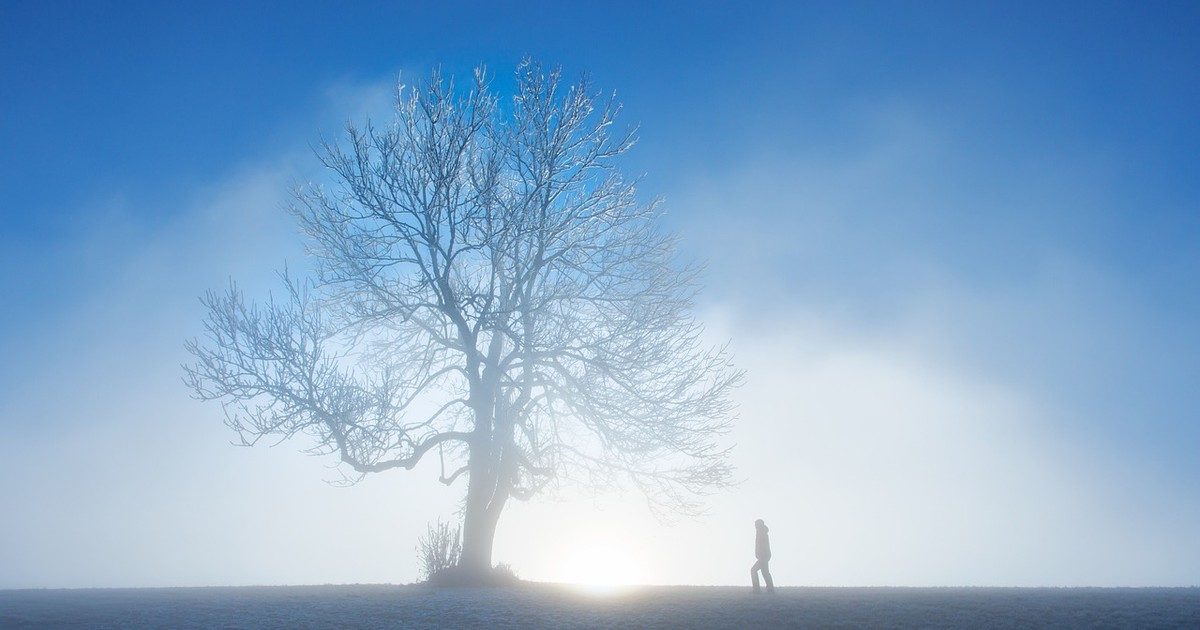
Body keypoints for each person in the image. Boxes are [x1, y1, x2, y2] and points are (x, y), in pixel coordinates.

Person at [751, 518, 775, 593]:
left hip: (763, 556)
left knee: (754, 570)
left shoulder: (761, 533)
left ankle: (757, 589)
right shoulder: (761, 532)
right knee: (764, 572)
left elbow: (762, 546)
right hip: (764, 556)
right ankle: (770, 588)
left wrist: (761, 555)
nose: (755, 526)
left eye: (756, 525)